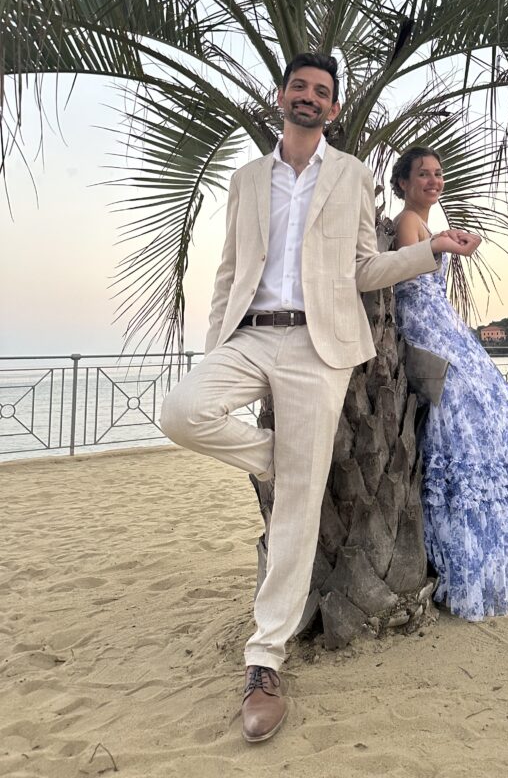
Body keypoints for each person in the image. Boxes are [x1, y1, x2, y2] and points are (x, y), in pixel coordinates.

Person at [160, 56, 479, 743]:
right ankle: (286, 460)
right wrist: (215, 347)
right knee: (181, 412)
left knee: (298, 513)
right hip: (250, 335)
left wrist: (431, 250)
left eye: (322, 92)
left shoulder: (353, 175)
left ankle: (264, 662)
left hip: (318, 346)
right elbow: (228, 271)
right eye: (299, 87)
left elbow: (364, 268)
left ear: (333, 109)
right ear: (281, 96)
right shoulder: (247, 180)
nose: (309, 97)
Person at [390, 146, 508, 621]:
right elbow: (409, 267)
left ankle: (490, 556)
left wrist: (451, 241)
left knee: (495, 412)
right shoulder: (408, 221)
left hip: (444, 326)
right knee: (464, 414)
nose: (433, 181)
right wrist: (444, 246)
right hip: (427, 327)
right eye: (423, 174)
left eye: (438, 174)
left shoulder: (426, 224)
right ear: (404, 182)